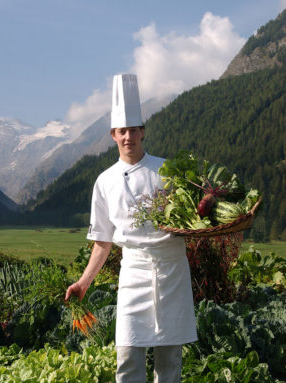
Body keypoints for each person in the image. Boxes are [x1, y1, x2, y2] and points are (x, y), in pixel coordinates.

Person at [65, 73, 197, 383]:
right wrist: (83, 283)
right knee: (127, 358)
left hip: (171, 270)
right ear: (113, 134)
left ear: (143, 132)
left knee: (169, 362)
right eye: (122, 131)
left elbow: (191, 222)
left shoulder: (167, 172)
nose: (129, 137)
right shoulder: (105, 181)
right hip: (133, 271)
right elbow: (102, 242)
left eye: (134, 130)